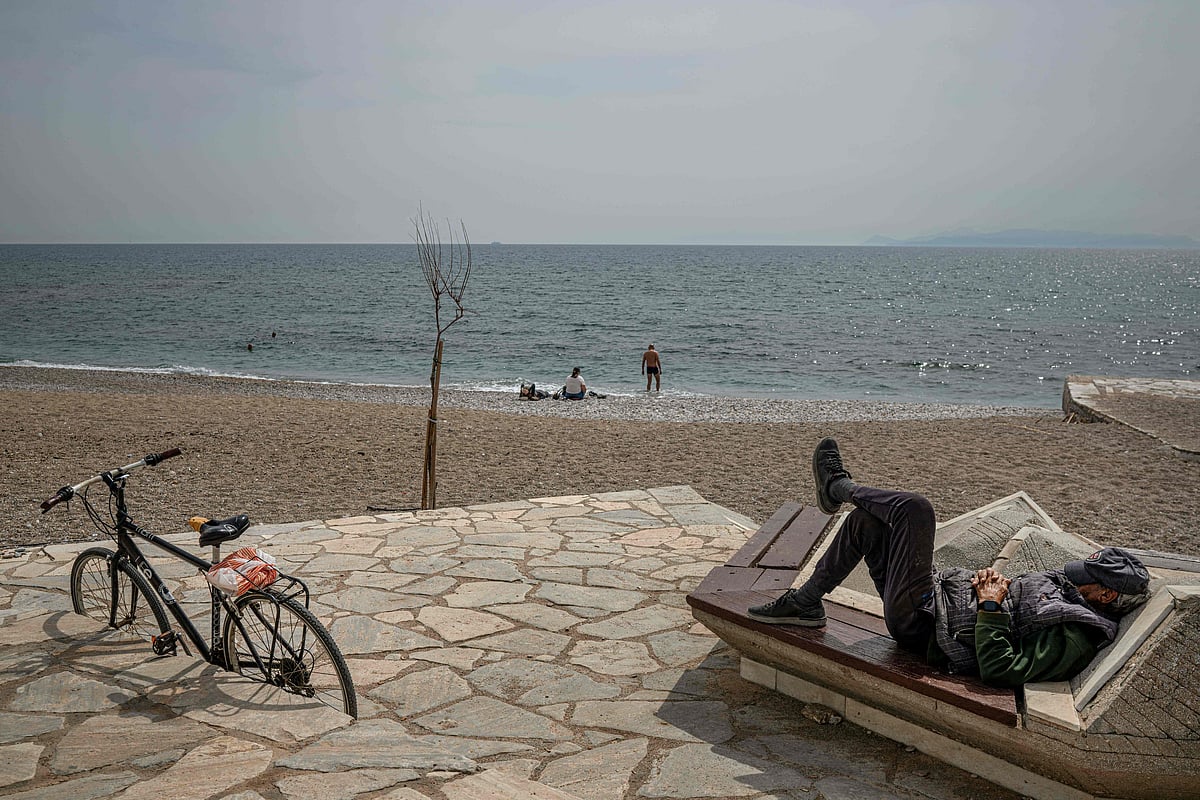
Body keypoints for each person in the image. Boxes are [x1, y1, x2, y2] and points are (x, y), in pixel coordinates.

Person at [748, 438, 1152, 687]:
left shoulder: (1076, 636)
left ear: (1105, 594)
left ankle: (838, 487)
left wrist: (991, 606)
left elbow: (1002, 668)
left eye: (1087, 580)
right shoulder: (1073, 595)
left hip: (924, 623)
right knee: (866, 522)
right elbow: (1024, 605)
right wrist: (991, 581)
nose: (1076, 579)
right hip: (936, 597)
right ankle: (806, 602)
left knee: (915, 508)